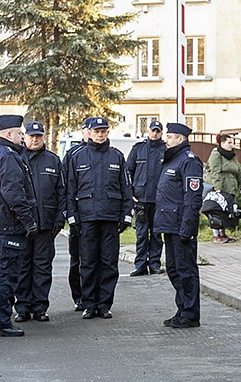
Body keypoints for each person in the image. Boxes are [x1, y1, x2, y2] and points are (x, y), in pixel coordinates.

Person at [65, 116, 132, 319]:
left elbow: (126, 188)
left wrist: (126, 214)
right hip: (87, 217)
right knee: (87, 262)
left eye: (103, 131)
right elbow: (70, 190)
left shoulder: (117, 156)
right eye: (97, 131)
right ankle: (88, 303)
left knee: (109, 262)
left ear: (108, 133)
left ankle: (104, 304)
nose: (100, 134)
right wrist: (72, 217)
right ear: (90, 133)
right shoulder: (78, 157)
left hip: (110, 217)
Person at [0, 114, 38, 337]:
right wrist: (28, 221)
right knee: (4, 276)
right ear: (8, 134)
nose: (22, 137)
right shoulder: (8, 157)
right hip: (7, 226)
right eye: (19, 133)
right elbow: (13, 193)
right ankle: (0, 322)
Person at [15, 121, 65, 322]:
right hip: (22, 225)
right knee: (22, 266)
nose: (35, 139)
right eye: (31, 136)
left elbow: (62, 192)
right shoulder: (16, 158)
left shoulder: (53, 161)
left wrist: (60, 219)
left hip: (46, 224)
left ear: (43, 137)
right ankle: (23, 307)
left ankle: (40, 307)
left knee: (43, 267)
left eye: (38, 136)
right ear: (24, 137)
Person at [155, 122, 203, 328]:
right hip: (169, 224)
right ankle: (182, 308)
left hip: (181, 225)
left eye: (170, 136)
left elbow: (192, 198)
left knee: (185, 270)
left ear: (180, 139)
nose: (166, 139)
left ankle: (191, 313)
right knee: (174, 269)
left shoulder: (189, 161)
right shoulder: (171, 160)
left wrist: (188, 226)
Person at [126, 120, 166, 276]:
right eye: (152, 130)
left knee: (156, 234)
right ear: (148, 131)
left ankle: (155, 264)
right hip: (141, 199)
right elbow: (128, 171)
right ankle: (140, 265)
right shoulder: (138, 149)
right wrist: (130, 193)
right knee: (141, 234)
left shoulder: (165, 150)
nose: (154, 133)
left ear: (161, 133)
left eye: (157, 131)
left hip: (159, 199)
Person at [62, 117, 93, 310]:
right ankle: (78, 296)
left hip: (95, 216)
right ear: (83, 131)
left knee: (95, 259)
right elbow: (66, 185)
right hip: (78, 215)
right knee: (77, 259)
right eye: (88, 130)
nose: (92, 133)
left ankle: (94, 296)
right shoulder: (73, 154)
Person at [204, 133, 241, 243]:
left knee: (226, 211)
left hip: (229, 187)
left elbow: (238, 171)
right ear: (222, 143)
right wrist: (218, 189)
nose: (232, 145)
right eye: (229, 142)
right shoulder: (216, 154)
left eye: (232, 142)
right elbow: (215, 172)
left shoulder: (232, 155)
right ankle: (217, 236)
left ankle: (223, 234)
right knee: (216, 210)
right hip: (218, 187)